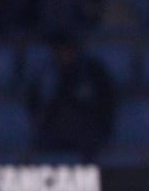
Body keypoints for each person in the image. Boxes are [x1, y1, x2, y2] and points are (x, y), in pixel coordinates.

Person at [26, 31, 117, 161]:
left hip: (87, 128)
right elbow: (34, 101)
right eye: (60, 50)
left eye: (67, 49)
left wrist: (99, 123)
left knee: (89, 146)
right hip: (55, 128)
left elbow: (107, 100)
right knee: (42, 146)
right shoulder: (47, 73)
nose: (64, 54)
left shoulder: (93, 71)